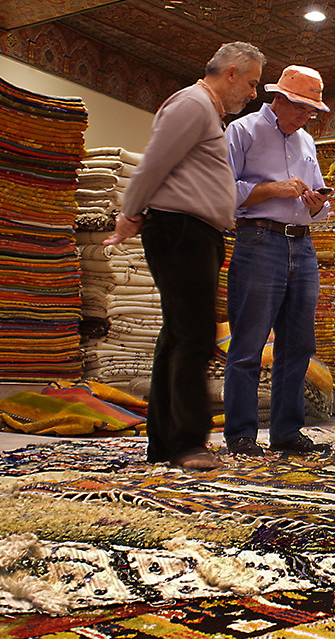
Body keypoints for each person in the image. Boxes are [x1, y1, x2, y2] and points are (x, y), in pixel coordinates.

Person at [104, 41, 265, 472]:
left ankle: (164, 444)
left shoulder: (204, 112)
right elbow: (153, 163)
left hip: (193, 231)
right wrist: (129, 213)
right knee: (194, 336)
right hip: (181, 231)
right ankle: (189, 443)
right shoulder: (193, 104)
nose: (252, 94)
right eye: (250, 83)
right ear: (230, 73)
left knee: (177, 338)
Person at [222, 65, 333, 455]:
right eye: (302, 108)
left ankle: (287, 431)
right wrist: (272, 189)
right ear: (280, 99)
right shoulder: (243, 131)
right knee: (249, 343)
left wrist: (318, 203)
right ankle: (240, 435)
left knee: (299, 344)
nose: (306, 118)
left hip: (302, 246)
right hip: (258, 241)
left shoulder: (306, 142)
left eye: (311, 112)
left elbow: (320, 204)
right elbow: (221, 190)